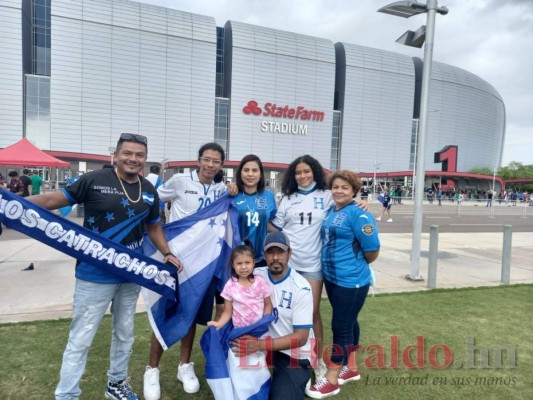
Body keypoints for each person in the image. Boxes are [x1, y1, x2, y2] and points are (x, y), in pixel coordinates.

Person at [27, 133, 182, 400]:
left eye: (139, 155)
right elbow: (53, 201)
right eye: (128, 153)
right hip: (93, 275)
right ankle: (67, 395)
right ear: (116, 155)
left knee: (125, 334)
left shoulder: (148, 189)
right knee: (81, 338)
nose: (133, 159)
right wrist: (10, 204)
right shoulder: (94, 180)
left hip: (130, 275)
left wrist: (167, 252)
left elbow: (154, 225)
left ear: (145, 159)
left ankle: (116, 384)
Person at [144, 142, 234, 399]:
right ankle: (152, 369)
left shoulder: (221, 189)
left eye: (216, 161)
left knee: (193, 314)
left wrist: (233, 190)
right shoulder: (180, 181)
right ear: (198, 160)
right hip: (175, 262)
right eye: (207, 159)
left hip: (204, 265)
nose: (210, 165)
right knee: (166, 311)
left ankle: (184, 365)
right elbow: (153, 202)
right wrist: (162, 234)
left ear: (221, 165)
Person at [307, 170, 380, 399]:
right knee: (349, 321)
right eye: (336, 187)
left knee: (340, 326)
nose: (339, 191)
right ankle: (351, 368)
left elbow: (372, 249)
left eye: (345, 188)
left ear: (354, 191)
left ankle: (332, 378)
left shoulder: (359, 214)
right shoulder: (331, 210)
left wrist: (356, 266)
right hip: (332, 278)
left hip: (352, 281)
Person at [232, 231, 314, 399]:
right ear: (264, 255)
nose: (275, 257)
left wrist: (259, 345)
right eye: (270, 252)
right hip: (264, 343)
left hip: (292, 353)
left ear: (289, 254)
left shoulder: (301, 287)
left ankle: (299, 377)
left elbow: (301, 338)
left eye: (280, 252)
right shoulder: (256, 275)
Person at [270, 155, 331, 380]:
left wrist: (359, 202)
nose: (302, 176)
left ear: (314, 171)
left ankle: (318, 360)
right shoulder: (287, 198)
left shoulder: (327, 196)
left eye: (306, 171)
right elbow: (274, 226)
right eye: (298, 172)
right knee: (286, 312)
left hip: (313, 264)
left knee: (313, 312)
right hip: (290, 265)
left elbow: (345, 206)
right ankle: (287, 356)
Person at [207, 242, 272, 329]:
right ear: (233, 265)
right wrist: (219, 324)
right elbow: (227, 312)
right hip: (239, 332)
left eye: (247, 262)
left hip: (259, 331)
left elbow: (267, 304)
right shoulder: (230, 285)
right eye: (239, 263)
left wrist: (265, 321)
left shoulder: (261, 282)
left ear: (253, 263)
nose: (243, 267)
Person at [233, 154, 277, 267]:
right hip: (238, 259)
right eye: (246, 170)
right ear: (240, 173)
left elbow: (268, 223)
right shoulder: (232, 195)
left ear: (261, 174)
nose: (250, 174)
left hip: (261, 259)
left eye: (254, 170)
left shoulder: (269, 196)